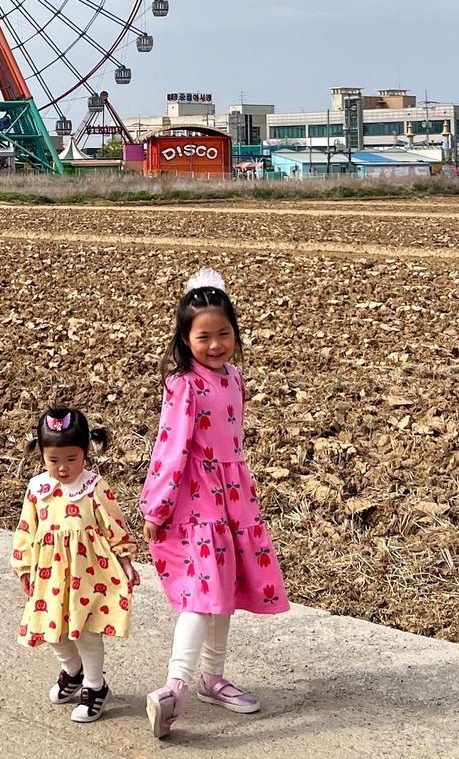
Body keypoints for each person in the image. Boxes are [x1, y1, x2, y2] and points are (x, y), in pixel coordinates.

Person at [140, 269, 289, 740]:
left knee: (224, 586)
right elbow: (170, 448)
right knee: (202, 595)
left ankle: (212, 678)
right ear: (185, 339)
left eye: (224, 333)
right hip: (196, 501)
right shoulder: (183, 385)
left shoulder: (234, 379)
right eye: (203, 336)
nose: (215, 344)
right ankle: (175, 687)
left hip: (232, 499)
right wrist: (156, 507)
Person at [11, 406, 140, 723]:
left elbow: (114, 524)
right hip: (49, 573)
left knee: (85, 632)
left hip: (88, 573)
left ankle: (96, 687)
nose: (63, 468)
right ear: (41, 455)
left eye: (71, 459)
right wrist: (25, 568)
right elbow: (26, 530)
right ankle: (73, 671)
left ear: (85, 452)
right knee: (52, 630)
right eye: (54, 460)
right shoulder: (38, 489)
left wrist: (125, 561)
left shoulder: (94, 487)